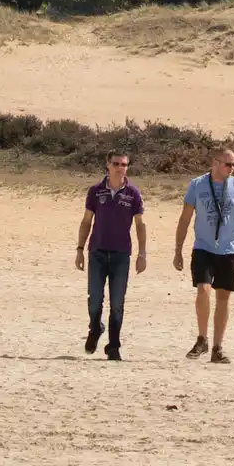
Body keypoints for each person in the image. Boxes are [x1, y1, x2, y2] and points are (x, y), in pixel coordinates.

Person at [173, 149, 234, 364]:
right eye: (228, 164)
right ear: (215, 162)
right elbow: (185, 218)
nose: (232, 168)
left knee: (223, 298)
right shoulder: (197, 185)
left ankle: (217, 347)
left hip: (230, 250)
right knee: (203, 289)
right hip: (203, 247)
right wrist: (178, 249)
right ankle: (202, 339)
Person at [75, 151, 147, 361]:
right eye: (115, 163)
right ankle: (95, 328)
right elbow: (87, 221)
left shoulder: (133, 193)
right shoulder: (95, 191)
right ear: (108, 165)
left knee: (117, 302)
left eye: (123, 164)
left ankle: (113, 346)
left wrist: (142, 253)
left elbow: (140, 225)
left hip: (121, 254)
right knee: (94, 300)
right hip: (97, 252)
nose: (119, 167)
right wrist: (79, 249)